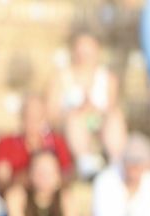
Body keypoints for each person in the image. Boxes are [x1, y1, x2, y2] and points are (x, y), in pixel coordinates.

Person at [49, 27, 127, 179]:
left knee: (115, 117)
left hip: (99, 122)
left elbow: (111, 107)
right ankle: (85, 162)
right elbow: (51, 114)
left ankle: (117, 161)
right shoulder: (60, 78)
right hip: (70, 124)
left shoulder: (108, 78)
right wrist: (77, 111)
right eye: (81, 50)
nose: (84, 55)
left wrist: (93, 109)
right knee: (75, 118)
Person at [0, 94, 73, 194]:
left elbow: (67, 174)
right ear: (21, 117)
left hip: (51, 195)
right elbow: (2, 178)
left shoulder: (57, 142)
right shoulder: (6, 143)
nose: (32, 122)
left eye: (37, 117)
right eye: (28, 116)